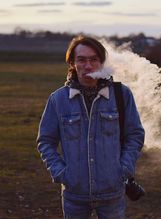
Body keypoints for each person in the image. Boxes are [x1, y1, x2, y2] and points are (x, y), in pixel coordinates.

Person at [36, 35, 145, 218]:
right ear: (72, 63)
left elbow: (135, 135)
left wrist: (123, 169)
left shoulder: (121, 94)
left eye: (94, 59)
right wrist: (62, 173)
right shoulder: (58, 99)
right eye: (82, 60)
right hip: (74, 195)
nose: (88, 66)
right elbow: (45, 141)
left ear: (101, 62)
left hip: (112, 193)